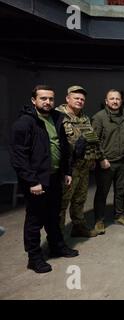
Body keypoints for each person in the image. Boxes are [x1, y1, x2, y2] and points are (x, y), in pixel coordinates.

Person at [10, 85, 78, 273]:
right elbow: (18, 156)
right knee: (35, 220)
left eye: (50, 99)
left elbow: (63, 148)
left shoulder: (56, 118)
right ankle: (34, 257)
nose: (47, 102)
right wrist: (32, 181)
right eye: (43, 99)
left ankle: (57, 246)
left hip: (55, 177)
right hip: (37, 181)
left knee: (53, 216)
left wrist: (66, 171)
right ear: (34, 100)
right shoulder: (25, 123)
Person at [56, 85, 101, 238]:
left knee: (80, 199)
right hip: (68, 168)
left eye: (82, 99)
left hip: (84, 167)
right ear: (67, 98)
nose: (80, 101)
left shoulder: (84, 117)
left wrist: (94, 157)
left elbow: (91, 139)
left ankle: (78, 227)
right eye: (76, 98)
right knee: (61, 203)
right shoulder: (58, 116)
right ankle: (58, 236)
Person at [91, 89, 124, 234]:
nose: (115, 101)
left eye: (118, 99)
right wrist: (101, 158)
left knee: (121, 191)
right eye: (112, 99)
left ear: (121, 101)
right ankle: (99, 220)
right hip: (106, 162)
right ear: (106, 101)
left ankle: (119, 215)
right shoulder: (99, 117)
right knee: (102, 192)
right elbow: (94, 141)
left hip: (123, 162)